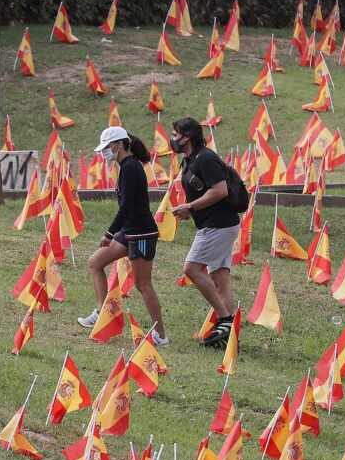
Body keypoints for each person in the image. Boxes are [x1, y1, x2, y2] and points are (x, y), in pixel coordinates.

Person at [77, 126, 167, 345]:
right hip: (129, 231)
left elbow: (126, 206)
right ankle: (102, 312)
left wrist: (109, 233)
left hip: (142, 233)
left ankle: (160, 335)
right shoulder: (125, 166)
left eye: (106, 148)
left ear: (117, 145)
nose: (103, 153)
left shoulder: (130, 168)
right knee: (95, 262)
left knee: (143, 284)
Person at [170, 117, 239, 348]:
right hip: (215, 223)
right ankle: (229, 334)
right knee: (220, 278)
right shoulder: (189, 160)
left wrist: (190, 206)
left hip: (218, 225)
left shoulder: (206, 159)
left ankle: (225, 318)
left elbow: (220, 190)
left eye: (175, 134)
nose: (173, 139)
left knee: (191, 268)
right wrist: (191, 210)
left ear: (187, 136)